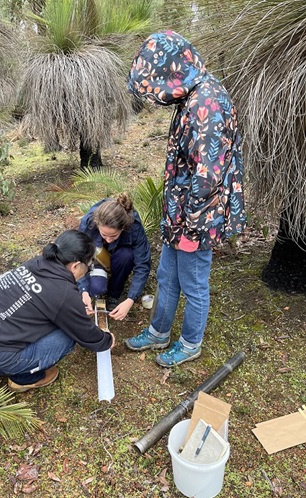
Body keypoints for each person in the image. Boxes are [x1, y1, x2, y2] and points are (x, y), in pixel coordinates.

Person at [124, 30, 246, 367]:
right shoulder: (191, 95)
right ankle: (159, 332)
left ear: (171, 70)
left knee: (193, 283)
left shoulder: (208, 102)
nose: (155, 97)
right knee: (167, 276)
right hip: (179, 213)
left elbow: (209, 175)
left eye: (154, 86)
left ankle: (191, 343)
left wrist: (191, 229)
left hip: (197, 217)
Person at [0, 230, 115, 392]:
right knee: (67, 337)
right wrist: (106, 340)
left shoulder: (37, 263)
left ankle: (0, 362)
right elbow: (85, 334)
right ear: (76, 265)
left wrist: (74, 311)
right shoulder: (63, 293)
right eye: (89, 265)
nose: (88, 269)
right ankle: (24, 378)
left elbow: (40, 301)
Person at [77, 192, 151, 320]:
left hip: (120, 256)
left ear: (123, 228)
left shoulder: (134, 226)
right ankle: (96, 280)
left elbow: (142, 264)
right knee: (96, 288)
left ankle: (114, 294)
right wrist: (83, 289)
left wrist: (130, 299)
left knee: (126, 256)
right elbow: (79, 256)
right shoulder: (89, 222)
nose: (109, 239)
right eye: (104, 235)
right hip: (97, 255)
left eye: (114, 236)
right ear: (97, 224)